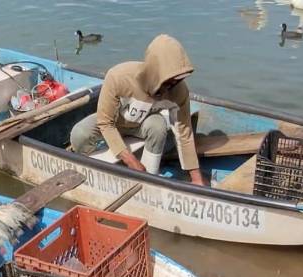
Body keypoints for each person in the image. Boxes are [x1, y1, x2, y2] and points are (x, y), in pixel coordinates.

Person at [70, 34, 205, 185]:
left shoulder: (179, 91)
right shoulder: (119, 77)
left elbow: (184, 133)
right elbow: (105, 122)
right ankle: (93, 171)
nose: (170, 87)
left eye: (176, 81)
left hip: (141, 126)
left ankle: (149, 177)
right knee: (79, 134)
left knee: (158, 125)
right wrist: (131, 161)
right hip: (115, 122)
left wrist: (196, 178)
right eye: (167, 82)